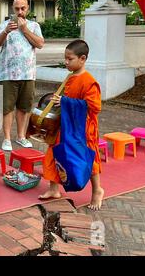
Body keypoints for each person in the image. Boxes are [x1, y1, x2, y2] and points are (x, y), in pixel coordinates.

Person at [38, 39, 104, 211]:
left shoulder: (89, 81)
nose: (66, 62)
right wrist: (59, 100)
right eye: (65, 59)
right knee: (54, 152)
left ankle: (97, 190)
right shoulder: (70, 77)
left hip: (83, 129)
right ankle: (54, 189)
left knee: (88, 158)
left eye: (70, 59)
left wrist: (66, 102)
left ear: (82, 59)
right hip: (65, 125)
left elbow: (95, 107)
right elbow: (68, 97)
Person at [0, 0, 44, 151]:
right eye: (17, 8)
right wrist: (6, 31)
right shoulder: (4, 25)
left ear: (27, 8)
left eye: (23, 8)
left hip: (28, 74)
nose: (20, 12)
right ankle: (7, 138)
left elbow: (40, 44)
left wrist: (24, 29)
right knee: (7, 108)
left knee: (24, 107)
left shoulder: (34, 26)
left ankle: (21, 136)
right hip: (7, 74)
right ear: (12, 9)